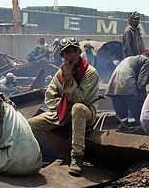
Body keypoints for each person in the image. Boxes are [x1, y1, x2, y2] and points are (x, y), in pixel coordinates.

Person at [28, 37, 99, 176]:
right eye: (67, 52)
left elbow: (79, 98)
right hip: (63, 112)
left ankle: (77, 158)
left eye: (74, 51)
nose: (71, 54)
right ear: (62, 55)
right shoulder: (59, 74)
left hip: (86, 112)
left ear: (79, 52)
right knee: (29, 125)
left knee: (78, 108)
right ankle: (31, 157)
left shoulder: (90, 72)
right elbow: (50, 98)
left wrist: (68, 78)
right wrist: (63, 107)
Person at [105, 46, 149, 125]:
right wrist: (143, 100)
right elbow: (141, 83)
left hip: (113, 86)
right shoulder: (147, 61)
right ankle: (141, 130)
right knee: (138, 113)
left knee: (122, 118)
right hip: (127, 85)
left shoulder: (132, 58)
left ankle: (124, 131)